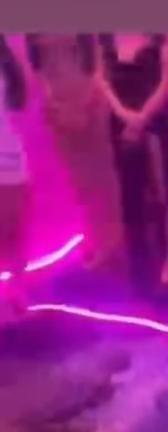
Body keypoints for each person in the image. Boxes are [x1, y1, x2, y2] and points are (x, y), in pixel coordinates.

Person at [25, 34, 125, 271]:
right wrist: (53, 103)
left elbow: (103, 53)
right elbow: (36, 66)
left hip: (93, 98)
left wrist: (90, 100)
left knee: (106, 174)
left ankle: (116, 239)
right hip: (57, 102)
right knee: (81, 179)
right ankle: (100, 237)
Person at [97, 33, 168, 290]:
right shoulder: (107, 38)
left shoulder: (161, 37)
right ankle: (139, 258)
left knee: (164, 192)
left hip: (156, 121)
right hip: (120, 123)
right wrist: (123, 115)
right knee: (130, 192)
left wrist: (141, 118)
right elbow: (102, 80)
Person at [0, 35, 30, 316]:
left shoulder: (5, 59)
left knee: (13, 230)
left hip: (8, 152)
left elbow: (18, 102)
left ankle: (17, 293)